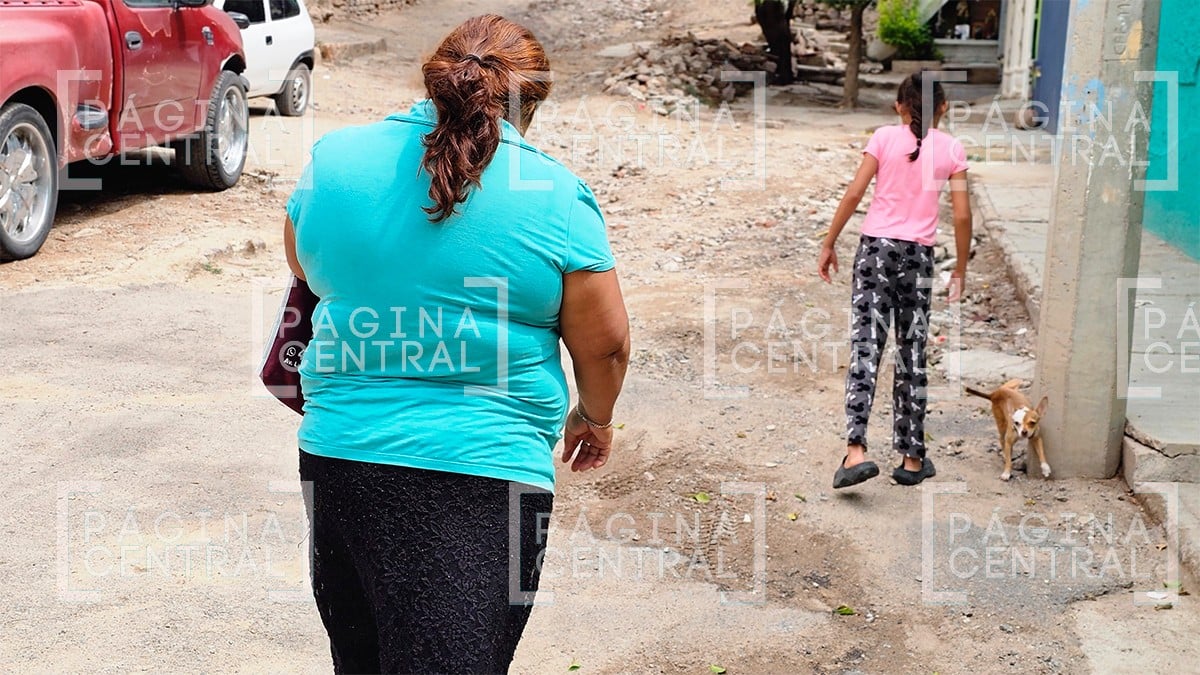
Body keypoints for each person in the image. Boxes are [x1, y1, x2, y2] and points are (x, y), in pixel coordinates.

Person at [282, 15, 630, 673]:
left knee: (364, 654)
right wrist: (595, 415)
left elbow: (306, 268)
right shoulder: (556, 195)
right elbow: (606, 343)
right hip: (487, 474)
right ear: (533, 101)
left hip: (339, 459)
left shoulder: (335, 160)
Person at [817, 72, 971, 489]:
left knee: (867, 345)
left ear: (899, 106)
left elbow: (853, 194)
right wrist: (959, 267)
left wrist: (829, 242)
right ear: (943, 107)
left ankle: (855, 453)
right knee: (911, 352)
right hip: (919, 258)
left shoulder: (884, 138)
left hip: (875, 252)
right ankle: (911, 458)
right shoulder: (952, 149)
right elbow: (960, 215)